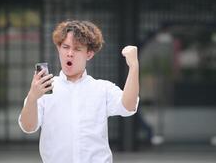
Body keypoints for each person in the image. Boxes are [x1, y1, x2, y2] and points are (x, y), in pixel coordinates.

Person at [18, 20, 139, 163]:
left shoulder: (102, 89)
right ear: (59, 49)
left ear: (89, 54)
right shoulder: (44, 88)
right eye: (65, 47)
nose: (70, 53)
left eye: (77, 49)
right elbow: (28, 127)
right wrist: (32, 97)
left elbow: (129, 106)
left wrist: (133, 66)